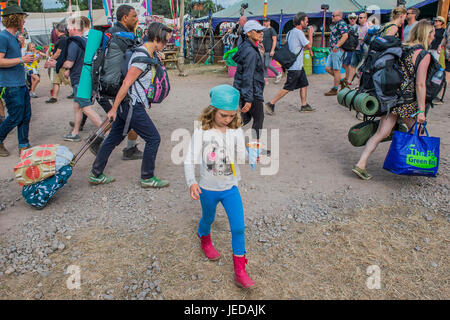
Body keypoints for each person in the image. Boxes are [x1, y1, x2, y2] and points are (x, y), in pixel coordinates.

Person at [184, 84, 256, 289]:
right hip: (208, 189)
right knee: (209, 218)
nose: (228, 119)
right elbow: (189, 159)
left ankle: (240, 271)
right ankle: (204, 237)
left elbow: (241, 155)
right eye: (224, 115)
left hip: (230, 188)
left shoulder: (235, 130)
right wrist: (192, 182)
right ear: (213, 110)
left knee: (239, 227)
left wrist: (250, 155)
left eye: (232, 115)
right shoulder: (202, 131)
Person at [88, 22, 172, 188]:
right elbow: (126, 84)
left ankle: (95, 173)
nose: (166, 44)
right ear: (156, 38)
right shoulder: (140, 58)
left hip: (127, 105)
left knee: (113, 139)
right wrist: (112, 109)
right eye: (164, 41)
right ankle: (147, 177)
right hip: (131, 105)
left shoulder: (146, 53)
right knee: (154, 138)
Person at [352, 20, 434, 180]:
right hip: (407, 102)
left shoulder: (402, 47)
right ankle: (423, 164)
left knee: (381, 133)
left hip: (391, 98)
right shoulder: (423, 55)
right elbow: (420, 83)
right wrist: (421, 111)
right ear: (427, 34)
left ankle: (360, 164)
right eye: (432, 34)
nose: (433, 37)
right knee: (419, 131)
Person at [86, 5, 144, 160]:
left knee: (122, 115)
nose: (136, 19)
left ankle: (101, 140)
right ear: (124, 18)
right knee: (132, 114)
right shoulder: (123, 36)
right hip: (115, 84)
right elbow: (138, 53)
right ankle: (103, 143)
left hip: (104, 82)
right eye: (134, 16)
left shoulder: (110, 33)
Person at [265, 12, 315, 114]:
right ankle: (271, 103)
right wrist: (310, 35)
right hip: (295, 66)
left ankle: (304, 105)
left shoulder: (290, 32)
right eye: (306, 21)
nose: (307, 23)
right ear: (301, 22)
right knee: (288, 87)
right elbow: (309, 46)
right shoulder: (299, 32)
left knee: (304, 84)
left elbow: (298, 46)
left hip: (297, 65)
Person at [0, 4, 34, 157]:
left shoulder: (13, 37)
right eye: (22, 18)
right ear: (15, 18)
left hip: (20, 83)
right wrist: (22, 59)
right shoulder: (3, 37)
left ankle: (23, 145)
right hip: (10, 84)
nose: (24, 21)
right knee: (15, 116)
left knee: (26, 115)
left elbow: (13, 58)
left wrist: (23, 53)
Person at [62, 17, 103, 142]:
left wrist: (57, 64)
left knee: (85, 107)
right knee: (77, 106)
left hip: (79, 79)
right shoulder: (86, 42)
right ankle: (75, 132)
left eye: (69, 27)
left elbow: (69, 63)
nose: (68, 30)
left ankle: (104, 131)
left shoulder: (74, 43)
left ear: (74, 28)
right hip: (85, 77)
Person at [232, 20, 265, 143]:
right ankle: (255, 148)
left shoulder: (247, 46)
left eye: (262, 31)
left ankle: (222, 140)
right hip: (251, 90)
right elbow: (247, 76)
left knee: (244, 118)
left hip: (248, 89)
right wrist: (249, 99)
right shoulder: (250, 51)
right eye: (258, 31)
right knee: (258, 118)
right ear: (249, 33)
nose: (261, 33)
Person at [324, 10, 348, 96]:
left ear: (339, 16)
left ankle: (335, 89)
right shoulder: (337, 24)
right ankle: (342, 82)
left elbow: (345, 36)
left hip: (337, 50)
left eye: (333, 16)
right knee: (327, 68)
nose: (332, 17)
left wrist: (337, 46)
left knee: (336, 69)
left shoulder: (341, 23)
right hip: (333, 50)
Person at [45, 23, 71, 104]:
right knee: (56, 81)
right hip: (59, 64)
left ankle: (81, 93)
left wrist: (50, 59)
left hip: (61, 64)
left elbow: (58, 53)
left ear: (56, 30)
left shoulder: (62, 40)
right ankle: (54, 97)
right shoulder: (65, 39)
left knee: (69, 81)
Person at [347, 12, 369, 86]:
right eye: (359, 17)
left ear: (365, 18)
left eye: (362, 17)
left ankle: (359, 85)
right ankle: (349, 82)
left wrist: (362, 39)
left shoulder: (368, 27)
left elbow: (369, 39)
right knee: (352, 66)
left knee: (361, 68)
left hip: (364, 51)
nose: (360, 19)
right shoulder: (358, 27)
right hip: (356, 49)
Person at [262, 18, 282, 84]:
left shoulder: (272, 30)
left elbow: (274, 40)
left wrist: (272, 50)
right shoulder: (264, 30)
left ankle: (278, 74)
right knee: (263, 65)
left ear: (269, 22)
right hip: (264, 51)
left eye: (266, 22)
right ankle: (265, 79)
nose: (264, 23)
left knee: (267, 64)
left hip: (269, 50)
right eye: (264, 22)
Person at [342, 12, 358, 88]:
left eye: (354, 18)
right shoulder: (346, 27)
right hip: (346, 48)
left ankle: (349, 79)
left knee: (351, 65)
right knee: (345, 64)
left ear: (356, 19)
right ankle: (348, 78)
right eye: (351, 18)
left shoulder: (358, 27)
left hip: (354, 49)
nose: (352, 19)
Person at [437, 10, 450, 104]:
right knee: (445, 75)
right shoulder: (449, 25)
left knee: (447, 75)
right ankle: (441, 96)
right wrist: (440, 46)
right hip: (447, 54)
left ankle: (441, 96)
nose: (448, 14)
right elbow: (445, 38)